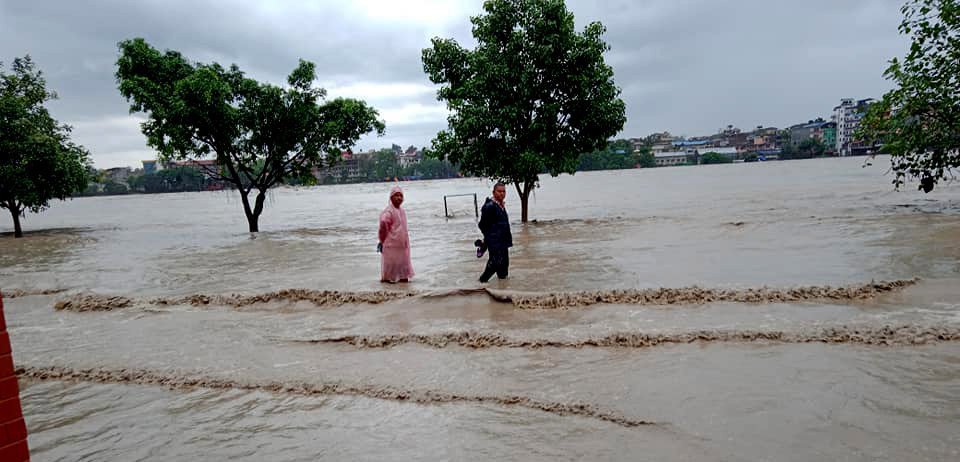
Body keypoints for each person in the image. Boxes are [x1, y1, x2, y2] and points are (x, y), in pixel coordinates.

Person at [377, 186, 414, 283]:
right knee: (390, 269)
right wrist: (381, 241)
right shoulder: (389, 211)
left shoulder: (402, 211)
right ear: (391, 198)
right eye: (396, 195)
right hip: (391, 245)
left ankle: (402, 288)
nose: (399, 198)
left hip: (402, 245)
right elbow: (383, 223)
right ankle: (387, 287)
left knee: (403, 268)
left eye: (401, 196)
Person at [478, 182, 512, 282]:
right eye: (499, 191)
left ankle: (503, 289)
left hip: (503, 242)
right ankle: (481, 283)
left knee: (504, 265)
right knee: (494, 263)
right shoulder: (490, 206)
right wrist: (488, 239)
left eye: (504, 191)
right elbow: (482, 225)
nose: (502, 193)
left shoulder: (501, 205)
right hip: (495, 242)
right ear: (494, 192)